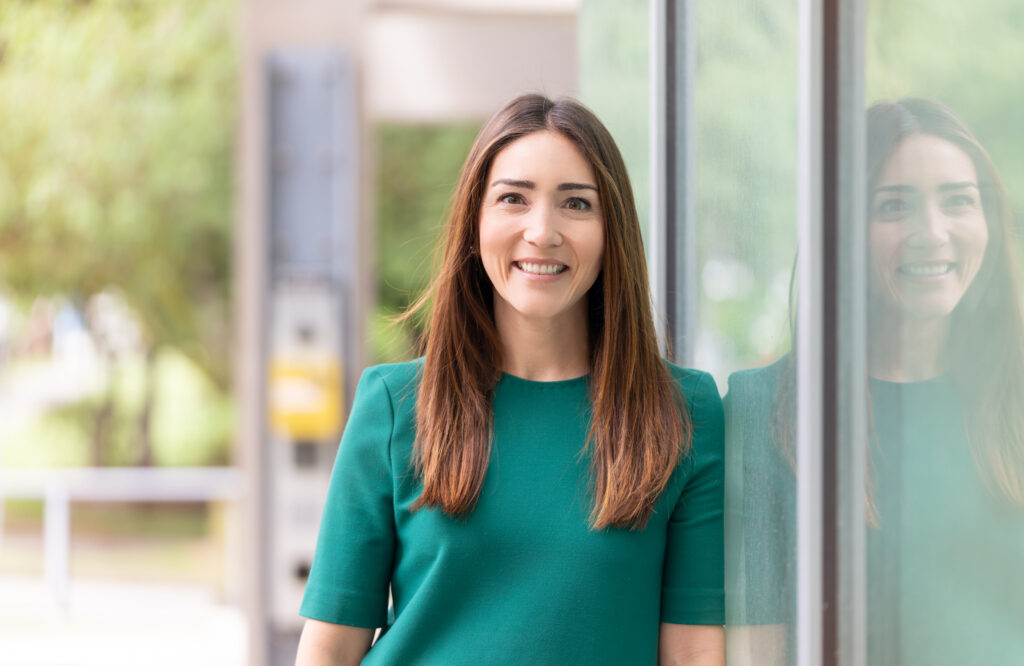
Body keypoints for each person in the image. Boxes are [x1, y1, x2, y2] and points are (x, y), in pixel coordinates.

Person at [295, 94, 726, 665]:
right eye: (513, 199)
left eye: (576, 203)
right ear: (475, 224)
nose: (541, 231)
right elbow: (328, 649)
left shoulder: (685, 411)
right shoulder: (394, 405)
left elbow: (695, 652)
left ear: (611, 232)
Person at [724, 98, 1024, 665]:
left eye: (959, 201)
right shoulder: (763, 411)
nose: (931, 234)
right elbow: (754, 653)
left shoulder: (1013, 402)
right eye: (893, 207)